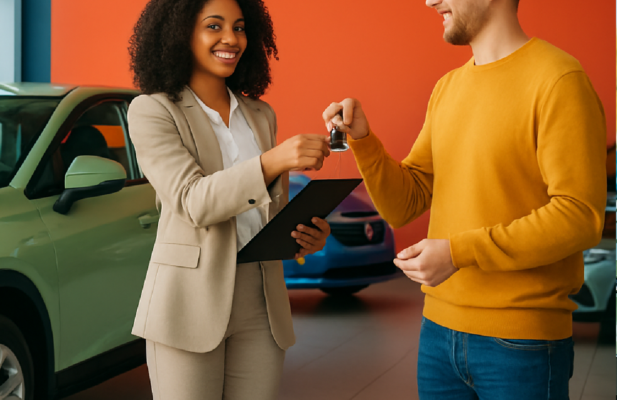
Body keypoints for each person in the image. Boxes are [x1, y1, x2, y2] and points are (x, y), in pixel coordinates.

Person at [322, 0, 606, 399]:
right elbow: (405, 204)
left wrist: (458, 253)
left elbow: (579, 216)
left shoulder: (559, 79)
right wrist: (365, 143)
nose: (430, 0)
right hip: (437, 335)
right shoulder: (448, 88)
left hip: (521, 343)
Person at [126, 0, 333, 398]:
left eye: (239, 28)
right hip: (188, 301)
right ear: (180, 33)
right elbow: (193, 201)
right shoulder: (152, 111)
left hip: (262, 300)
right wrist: (272, 160)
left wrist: (306, 234)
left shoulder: (261, 115)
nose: (231, 39)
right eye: (214, 26)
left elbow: (267, 210)